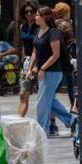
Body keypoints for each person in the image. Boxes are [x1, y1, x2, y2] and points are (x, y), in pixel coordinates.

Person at [26, 6, 74, 135]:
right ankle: (72, 122)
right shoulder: (38, 31)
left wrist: (42, 67)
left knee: (42, 102)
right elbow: (34, 52)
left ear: (44, 17)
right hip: (43, 72)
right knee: (49, 100)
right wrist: (30, 68)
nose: (34, 17)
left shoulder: (53, 33)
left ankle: (42, 131)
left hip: (53, 72)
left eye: (37, 15)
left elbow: (56, 54)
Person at [18, 0, 39, 117]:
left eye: (32, 11)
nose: (29, 14)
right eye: (27, 12)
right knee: (23, 94)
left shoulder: (40, 25)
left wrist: (36, 65)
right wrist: (22, 61)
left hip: (39, 62)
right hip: (26, 62)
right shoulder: (23, 27)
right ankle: (19, 120)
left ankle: (52, 123)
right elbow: (23, 45)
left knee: (44, 96)